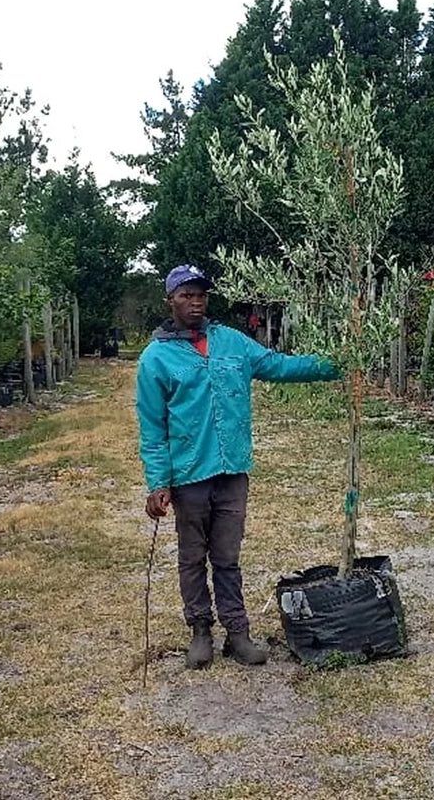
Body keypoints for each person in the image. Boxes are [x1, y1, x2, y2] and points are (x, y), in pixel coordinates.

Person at [136, 264, 338, 669]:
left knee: (227, 556)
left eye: (201, 296)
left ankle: (237, 632)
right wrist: (158, 482)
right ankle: (199, 630)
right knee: (193, 557)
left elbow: (278, 366)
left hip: (232, 472)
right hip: (189, 475)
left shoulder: (231, 342)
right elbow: (152, 427)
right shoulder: (155, 358)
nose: (195, 303)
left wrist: (335, 364)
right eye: (185, 295)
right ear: (170, 301)